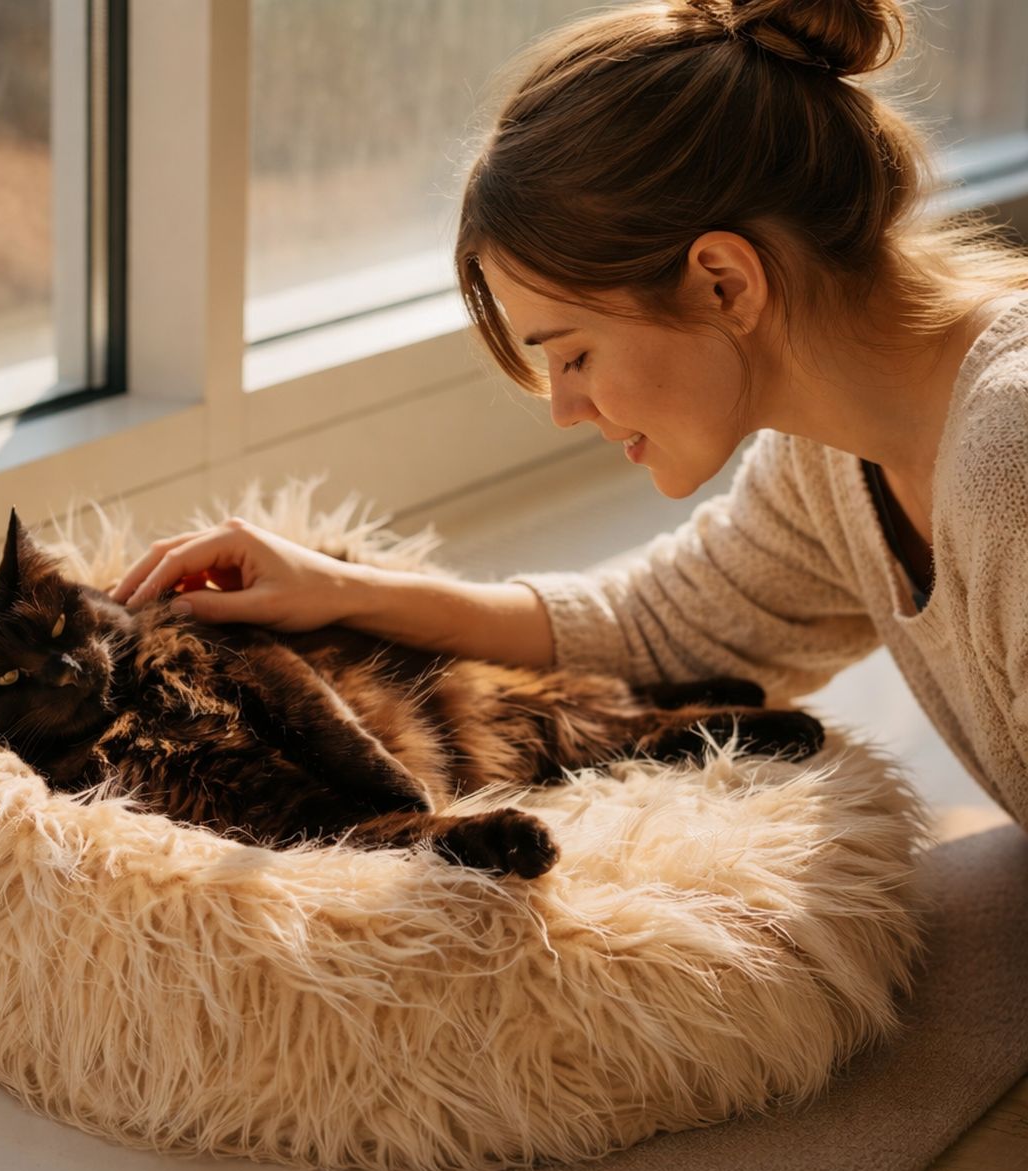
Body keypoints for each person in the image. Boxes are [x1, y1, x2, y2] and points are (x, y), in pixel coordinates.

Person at [110, 0, 1028, 827]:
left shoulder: (1011, 456)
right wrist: (348, 592)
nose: (563, 407)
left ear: (723, 282)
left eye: (574, 352)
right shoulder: (831, 459)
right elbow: (654, 629)